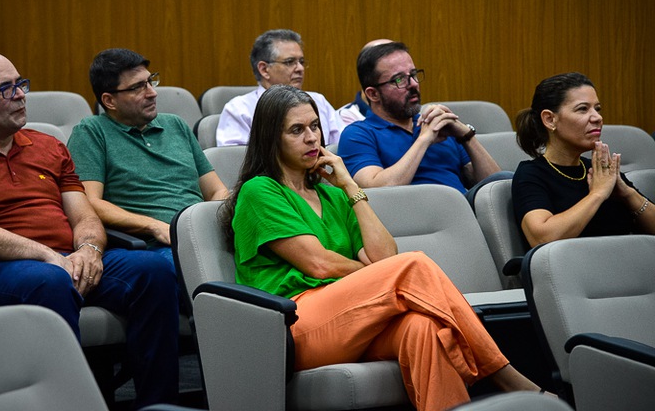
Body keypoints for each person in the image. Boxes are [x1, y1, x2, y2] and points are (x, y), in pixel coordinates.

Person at [220, 85, 547, 411]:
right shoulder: (259, 190)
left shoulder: (333, 193)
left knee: (423, 329)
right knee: (413, 266)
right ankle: (503, 374)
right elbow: (319, 265)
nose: (311, 138)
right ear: (271, 138)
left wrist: (350, 186)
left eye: (314, 126)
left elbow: (383, 258)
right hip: (294, 325)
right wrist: (379, 275)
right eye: (296, 130)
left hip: (350, 317)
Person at [0, 51, 179, 407]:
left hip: (69, 258)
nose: (22, 95)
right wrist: (46, 255)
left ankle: (157, 403)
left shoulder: (48, 147)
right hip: (3, 268)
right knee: (49, 280)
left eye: (20, 84)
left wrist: (90, 250)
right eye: (6, 89)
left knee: (154, 270)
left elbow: (84, 215)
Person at [67, 48, 228, 263]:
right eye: (138, 87)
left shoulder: (175, 124)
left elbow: (216, 189)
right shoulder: (91, 131)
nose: (152, 92)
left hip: (201, 235)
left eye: (150, 81)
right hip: (151, 246)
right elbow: (89, 202)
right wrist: (153, 226)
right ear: (109, 101)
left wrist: (213, 222)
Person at [339, 41, 503, 194]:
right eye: (399, 79)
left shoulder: (437, 125)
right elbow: (379, 191)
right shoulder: (358, 135)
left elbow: (494, 186)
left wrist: (466, 136)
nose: (413, 84)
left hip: (464, 215)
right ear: (373, 94)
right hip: (416, 222)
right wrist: (424, 140)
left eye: (413, 74)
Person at [513, 72, 655, 247]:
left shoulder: (600, 170)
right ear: (550, 119)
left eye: (597, 108)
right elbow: (542, 238)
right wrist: (597, 194)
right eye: (582, 109)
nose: (597, 118)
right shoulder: (531, 174)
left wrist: (628, 194)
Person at [216, 29, 343, 146]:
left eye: (301, 62)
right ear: (264, 69)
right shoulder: (239, 109)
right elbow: (233, 162)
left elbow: (340, 148)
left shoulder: (318, 101)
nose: (300, 68)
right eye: (289, 62)